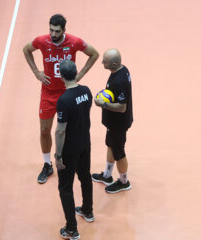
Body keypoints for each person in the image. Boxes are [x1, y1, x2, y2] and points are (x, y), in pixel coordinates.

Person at [23, 14, 99, 184]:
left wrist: (80, 75)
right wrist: (36, 72)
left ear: (64, 30)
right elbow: (26, 50)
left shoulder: (74, 42)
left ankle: (69, 160)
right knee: (44, 130)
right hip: (48, 94)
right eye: (50, 29)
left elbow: (94, 54)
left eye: (57, 31)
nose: (53, 34)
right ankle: (47, 164)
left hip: (68, 93)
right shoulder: (42, 41)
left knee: (70, 131)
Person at [55, 60, 94, 240]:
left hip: (70, 149)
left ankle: (72, 229)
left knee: (65, 187)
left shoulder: (64, 100)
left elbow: (61, 130)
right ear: (76, 72)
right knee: (85, 176)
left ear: (61, 76)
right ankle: (88, 211)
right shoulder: (86, 91)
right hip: (85, 143)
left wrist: (58, 155)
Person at [92, 49, 133, 194]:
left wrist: (103, 104)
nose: (102, 62)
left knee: (119, 152)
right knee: (110, 145)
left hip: (118, 124)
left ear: (114, 64)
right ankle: (107, 176)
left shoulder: (119, 81)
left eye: (105, 61)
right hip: (112, 123)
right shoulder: (122, 70)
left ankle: (123, 182)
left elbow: (122, 107)